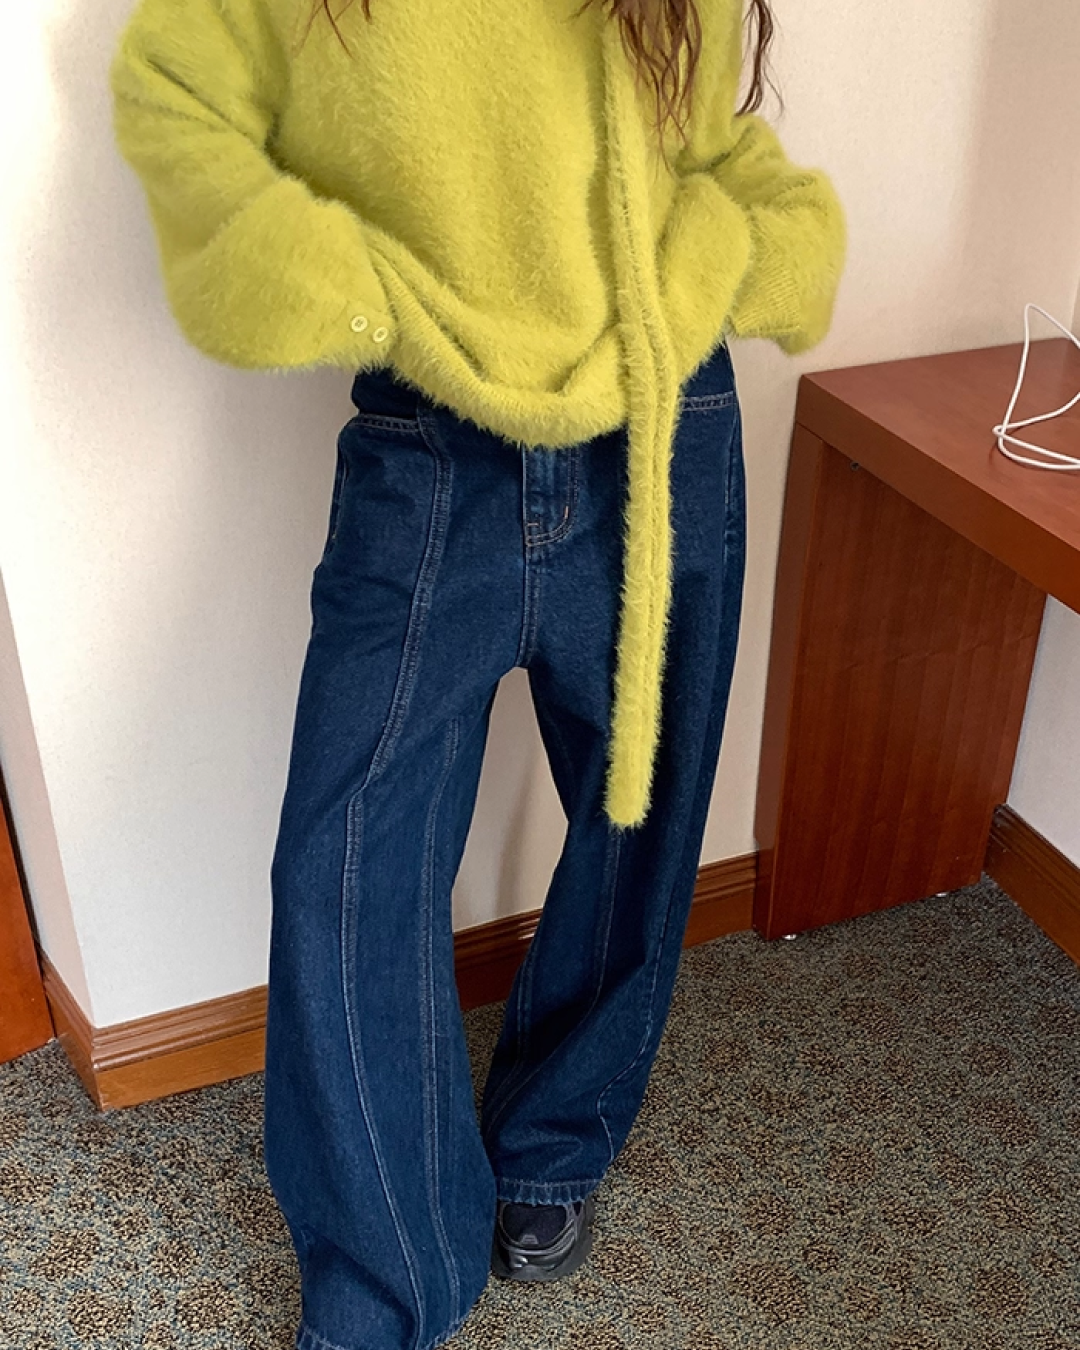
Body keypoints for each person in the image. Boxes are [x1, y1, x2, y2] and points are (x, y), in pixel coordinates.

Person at [109, 0, 847, 1345]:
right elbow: (177, 88)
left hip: (663, 419)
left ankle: (553, 1141)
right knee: (346, 865)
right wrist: (353, 288)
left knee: (640, 819)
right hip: (432, 443)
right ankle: (387, 1281)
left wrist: (763, 246)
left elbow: (706, 145)